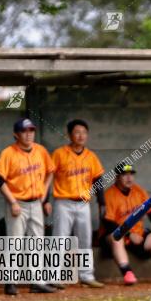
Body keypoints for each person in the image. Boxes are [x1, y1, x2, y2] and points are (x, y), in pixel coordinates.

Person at [0, 118, 56, 295]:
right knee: (15, 242)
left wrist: (45, 196)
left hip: (36, 202)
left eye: (31, 130)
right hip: (17, 203)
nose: (28, 134)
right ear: (16, 134)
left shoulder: (41, 151)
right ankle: (10, 282)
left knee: (37, 242)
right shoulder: (8, 153)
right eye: (24, 131)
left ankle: (37, 282)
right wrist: (12, 202)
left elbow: (50, 171)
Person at [101, 164, 151, 285]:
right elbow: (107, 222)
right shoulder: (109, 194)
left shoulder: (138, 191)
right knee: (116, 238)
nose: (129, 178)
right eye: (125, 175)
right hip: (118, 234)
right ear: (117, 177)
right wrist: (129, 235)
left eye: (131, 174)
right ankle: (127, 273)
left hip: (138, 234)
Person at [51, 119, 105, 288]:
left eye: (84, 132)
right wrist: (45, 200)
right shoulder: (59, 153)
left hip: (83, 203)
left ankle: (86, 275)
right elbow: (48, 177)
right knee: (59, 239)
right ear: (69, 135)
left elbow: (98, 179)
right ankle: (54, 276)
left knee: (85, 239)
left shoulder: (91, 156)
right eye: (77, 132)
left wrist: (101, 202)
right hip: (63, 201)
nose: (81, 136)